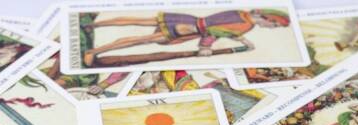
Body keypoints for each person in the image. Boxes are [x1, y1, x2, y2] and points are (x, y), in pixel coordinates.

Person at [81, 9, 291, 66]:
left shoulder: (241, 13)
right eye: (273, 24)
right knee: (140, 39)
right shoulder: (245, 24)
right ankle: (93, 51)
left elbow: (219, 28)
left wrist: (242, 40)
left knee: (139, 22)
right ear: (267, 18)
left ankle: (94, 25)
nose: (271, 28)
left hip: (188, 21)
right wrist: (205, 47)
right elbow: (214, 31)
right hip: (187, 28)